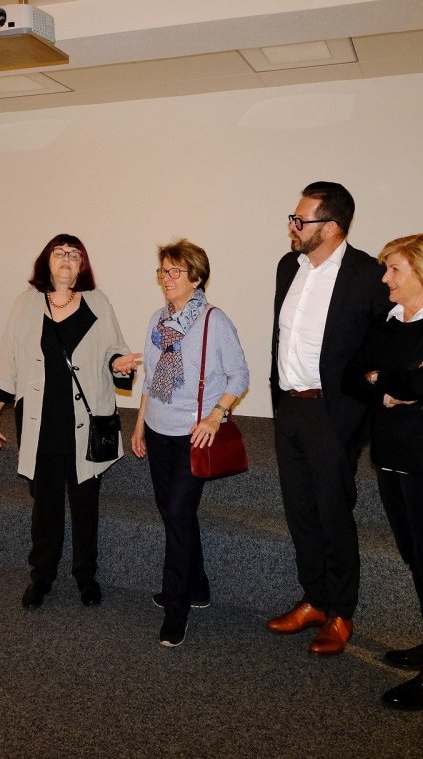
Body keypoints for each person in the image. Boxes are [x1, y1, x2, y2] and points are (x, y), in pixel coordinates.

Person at [344, 233, 423, 709]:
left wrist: (385, 377)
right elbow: (350, 376)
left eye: (394, 269)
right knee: (413, 554)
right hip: (390, 453)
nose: (385, 278)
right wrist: (391, 387)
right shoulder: (389, 319)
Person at [267, 181, 392, 655]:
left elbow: (386, 341)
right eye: (293, 218)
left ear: (333, 227)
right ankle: (315, 600)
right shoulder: (288, 266)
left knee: (333, 513)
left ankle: (341, 611)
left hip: (333, 412)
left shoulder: (368, 274)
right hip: (289, 408)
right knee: (300, 511)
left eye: (301, 220)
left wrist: (366, 402)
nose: (293, 227)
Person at [0, 234, 139, 609]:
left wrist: (119, 364)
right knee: (45, 506)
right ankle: (42, 577)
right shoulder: (26, 305)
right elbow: (7, 359)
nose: (66, 259)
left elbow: (115, 350)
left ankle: (86, 576)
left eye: (74, 255)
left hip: (86, 421)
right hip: (41, 422)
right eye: (59, 253)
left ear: (82, 265)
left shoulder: (98, 302)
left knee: (85, 505)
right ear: (47, 261)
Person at [130, 239, 250, 647]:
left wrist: (216, 416)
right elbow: (150, 379)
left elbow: (239, 375)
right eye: (162, 271)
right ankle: (197, 586)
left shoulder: (215, 321)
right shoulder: (157, 319)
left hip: (192, 436)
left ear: (196, 278)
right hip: (158, 430)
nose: (166, 278)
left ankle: (176, 607)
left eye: (175, 271)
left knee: (179, 514)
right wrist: (139, 426)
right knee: (173, 514)